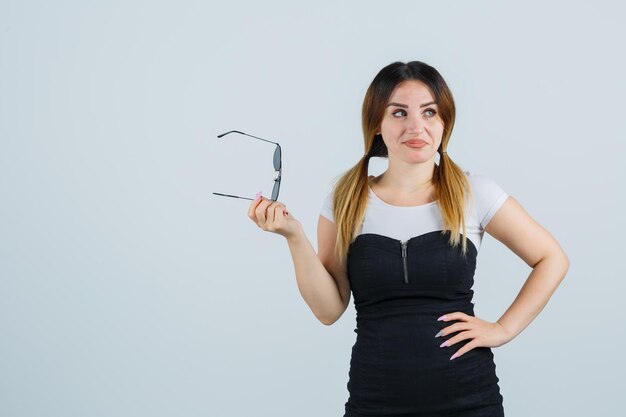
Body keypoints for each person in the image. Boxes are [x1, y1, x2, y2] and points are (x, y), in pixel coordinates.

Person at [247, 60, 570, 416]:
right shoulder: (344, 201)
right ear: (376, 126)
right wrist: (294, 236)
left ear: (444, 123)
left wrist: (503, 329)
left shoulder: (474, 193)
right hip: (375, 400)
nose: (416, 126)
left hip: (469, 401)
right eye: (399, 113)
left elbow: (552, 259)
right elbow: (328, 310)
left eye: (429, 112)